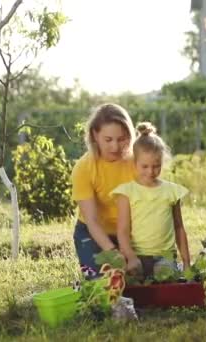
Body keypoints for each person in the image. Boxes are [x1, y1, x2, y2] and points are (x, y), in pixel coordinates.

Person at [111, 122, 191, 279]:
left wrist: (187, 262)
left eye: (156, 166)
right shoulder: (126, 192)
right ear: (135, 164)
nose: (151, 171)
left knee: (165, 278)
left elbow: (179, 227)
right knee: (130, 283)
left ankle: (171, 271)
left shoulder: (171, 191)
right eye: (145, 166)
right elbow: (123, 230)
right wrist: (131, 257)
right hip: (137, 256)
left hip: (165, 256)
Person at [71, 103, 137, 278]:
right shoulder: (84, 168)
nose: (115, 147)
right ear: (95, 135)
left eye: (121, 139)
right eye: (108, 140)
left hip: (130, 231)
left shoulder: (137, 163)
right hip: (92, 233)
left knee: (144, 281)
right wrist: (113, 252)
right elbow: (91, 220)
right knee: (105, 285)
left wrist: (128, 250)